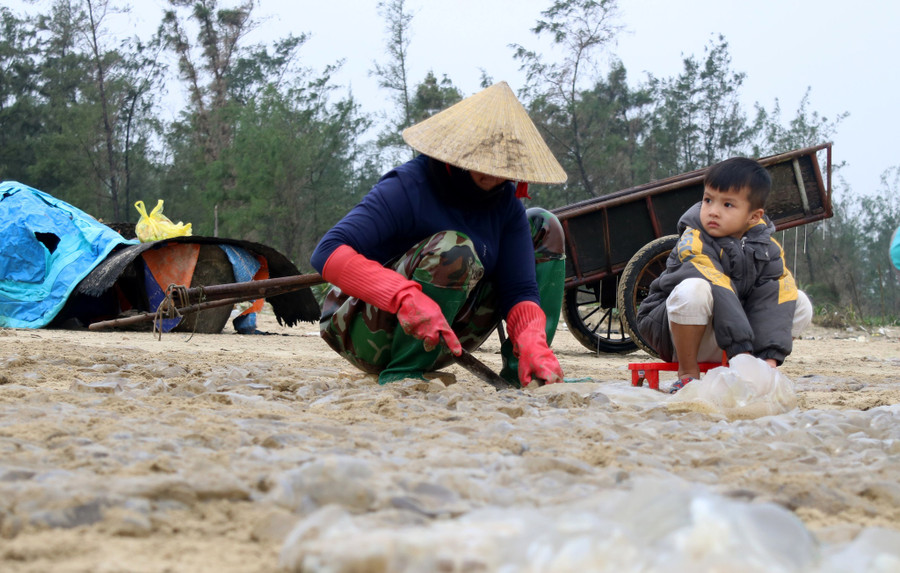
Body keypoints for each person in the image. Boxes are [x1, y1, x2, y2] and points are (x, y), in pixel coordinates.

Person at [310, 81, 569, 388]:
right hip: (366, 328)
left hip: (445, 332)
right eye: (484, 159)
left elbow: (520, 289)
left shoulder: (506, 206)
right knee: (455, 249)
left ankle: (529, 370)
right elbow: (327, 251)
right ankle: (404, 372)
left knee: (544, 223)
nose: (493, 173)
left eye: (503, 164)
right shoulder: (408, 186)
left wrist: (531, 337)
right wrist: (403, 297)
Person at [636, 157, 813, 393]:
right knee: (695, 288)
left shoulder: (769, 249)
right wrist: (741, 351)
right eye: (708, 200)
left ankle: (757, 371)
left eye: (727, 205)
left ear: (754, 216)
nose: (713, 212)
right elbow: (717, 287)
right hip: (679, 334)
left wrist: (767, 362)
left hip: (730, 339)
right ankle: (688, 374)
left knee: (797, 300)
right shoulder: (693, 240)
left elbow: (772, 300)